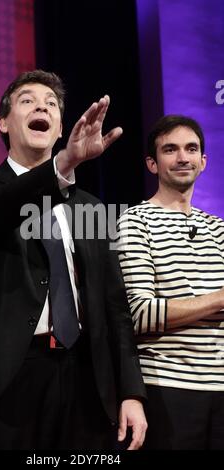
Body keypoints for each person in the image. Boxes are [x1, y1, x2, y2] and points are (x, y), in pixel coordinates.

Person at [0, 70, 147, 450]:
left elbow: (115, 306)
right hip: (9, 376)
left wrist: (131, 392)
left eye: (51, 104)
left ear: (61, 127)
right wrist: (60, 167)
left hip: (87, 378)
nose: (42, 107)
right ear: (3, 122)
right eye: (28, 100)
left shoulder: (92, 208)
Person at [117, 114, 224, 450]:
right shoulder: (134, 221)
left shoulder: (219, 230)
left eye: (191, 149)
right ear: (152, 163)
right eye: (170, 150)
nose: (182, 158)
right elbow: (140, 314)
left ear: (203, 161)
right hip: (168, 389)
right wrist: (219, 300)